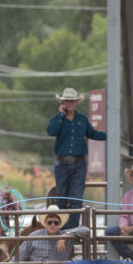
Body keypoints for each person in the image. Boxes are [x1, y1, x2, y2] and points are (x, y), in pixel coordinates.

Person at [46, 87, 107, 229]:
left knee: (75, 198)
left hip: (79, 162)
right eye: (66, 101)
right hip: (62, 163)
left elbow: (93, 134)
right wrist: (61, 115)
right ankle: (60, 227)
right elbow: (51, 131)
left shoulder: (82, 119)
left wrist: (110, 135)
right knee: (61, 198)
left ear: (76, 102)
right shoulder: (57, 119)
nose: (69, 104)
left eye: (72, 101)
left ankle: (71, 229)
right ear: (62, 102)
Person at [0, 205, 89, 264]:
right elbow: (18, 257)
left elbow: (86, 230)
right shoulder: (34, 236)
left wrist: (65, 236)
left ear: (60, 224)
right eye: (49, 222)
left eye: (56, 223)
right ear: (45, 224)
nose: (52, 225)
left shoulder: (67, 235)